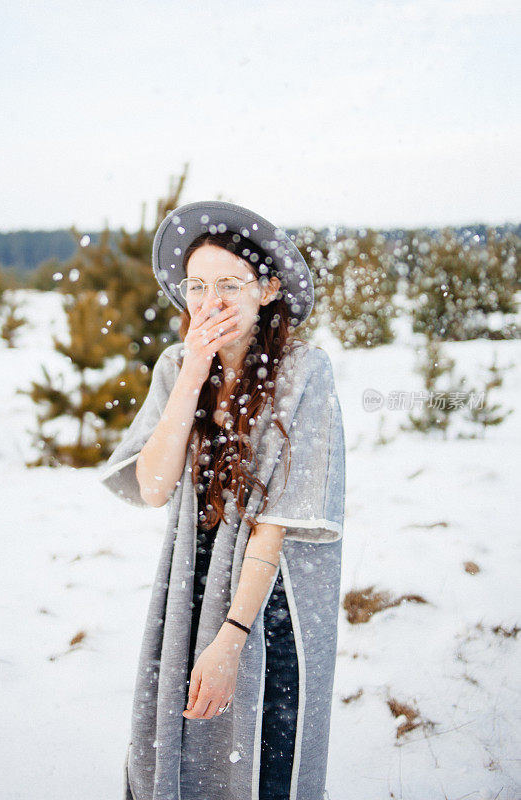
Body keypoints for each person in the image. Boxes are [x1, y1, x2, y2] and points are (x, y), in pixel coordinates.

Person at [100, 200, 345, 800]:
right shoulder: (177, 366)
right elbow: (154, 487)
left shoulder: (304, 372)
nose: (211, 300)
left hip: (270, 597)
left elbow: (274, 527)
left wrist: (231, 639)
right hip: (191, 580)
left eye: (230, 284)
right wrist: (191, 375)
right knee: (178, 745)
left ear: (265, 291)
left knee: (260, 751)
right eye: (198, 285)